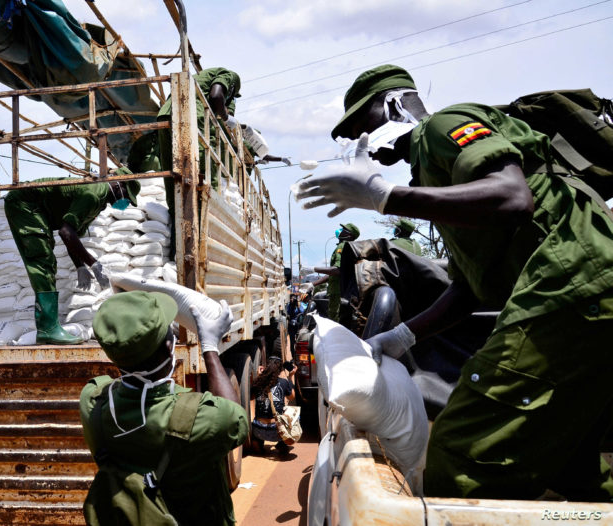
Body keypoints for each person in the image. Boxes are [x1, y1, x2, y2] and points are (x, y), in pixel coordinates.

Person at [299, 64, 613, 501]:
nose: (361, 144)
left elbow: (513, 197)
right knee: (573, 467)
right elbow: (471, 285)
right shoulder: (434, 178)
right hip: (586, 293)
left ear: (392, 104)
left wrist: (386, 197)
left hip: (572, 288)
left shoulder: (442, 127)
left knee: (460, 454)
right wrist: (404, 335)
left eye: (361, 125)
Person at [80, 291, 248, 525]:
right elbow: (237, 418)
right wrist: (210, 347)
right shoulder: (197, 417)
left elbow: (116, 387)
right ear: (170, 348)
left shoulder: (92, 402)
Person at [4, 177, 140, 344]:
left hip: (37, 209)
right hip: (25, 204)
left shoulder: (99, 201)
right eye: (127, 196)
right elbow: (65, 232)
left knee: (47, 260)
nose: (124, 202)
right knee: (41, 258)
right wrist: (94, 264)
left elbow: (71, 235)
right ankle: (48, 329)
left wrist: (80, 266)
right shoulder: (93, 195)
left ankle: (49, 328)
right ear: (119, 185)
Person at [157, 67, 242, 254]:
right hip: (190, 115)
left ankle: (176, 250)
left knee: (175, 181)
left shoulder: (202, 78)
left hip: (167, 114)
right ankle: (197, 243)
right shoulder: (230, 75)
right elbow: (216, 96)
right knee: (204, 176)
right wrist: (227, 117)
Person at [313, 223, 360, 321]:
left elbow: (337, 270)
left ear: (349, 235)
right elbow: (333, 274)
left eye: (343, 230)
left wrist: (314, 269)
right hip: (339, 291)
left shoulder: (342, 247)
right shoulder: (346, 247)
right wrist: (312, 284)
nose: (340, 231)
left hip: (338, 293)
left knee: (335, 321)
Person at [250, 356, 297, 455]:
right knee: (294, 414)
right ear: (280, 370)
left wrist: (259, 376)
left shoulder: (259, 382)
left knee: (258, 418)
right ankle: (282, 443)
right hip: (278, 431)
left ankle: (257, 441)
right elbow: (292, 397)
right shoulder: (283, 382)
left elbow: (251, 397)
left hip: (258, 430)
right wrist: (291, 376)